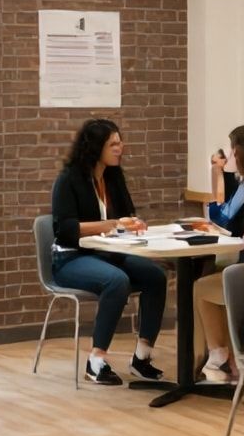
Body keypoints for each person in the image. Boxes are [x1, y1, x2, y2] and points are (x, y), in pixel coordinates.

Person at [49, 118, 168, 386]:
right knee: (116, 280)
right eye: (112, 144)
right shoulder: (69, 180)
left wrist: (132, 223)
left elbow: (126, 216)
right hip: (71, 258)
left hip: (108, 254)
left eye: (120, 142)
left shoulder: (113, 177)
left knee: (155, 276)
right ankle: (96, 361)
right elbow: (65, 229)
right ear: (95, 148)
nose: (120, 148)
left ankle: (142, 357)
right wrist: (111, 224)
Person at [192, 123, 244, 382]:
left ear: (243, 151)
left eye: (233, 149)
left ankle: (216, 358)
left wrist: (216, 177)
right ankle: (222, 357)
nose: (230, 155)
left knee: (200, 287)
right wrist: (221, 175)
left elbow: (224, 219)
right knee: (213, 276)